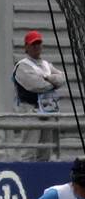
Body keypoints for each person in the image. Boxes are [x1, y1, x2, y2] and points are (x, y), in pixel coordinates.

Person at [12, 30, 65, 161]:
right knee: (29, 150)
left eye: (38, 43)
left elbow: (62, 78)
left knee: (45, 151)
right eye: (33, 44)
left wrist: (47, 77)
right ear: (26, 47)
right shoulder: (22, 66)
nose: (36, 47)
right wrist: (53, 83)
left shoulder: (46, 65)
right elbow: (36, 85)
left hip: (47, 109)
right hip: (30, 110)